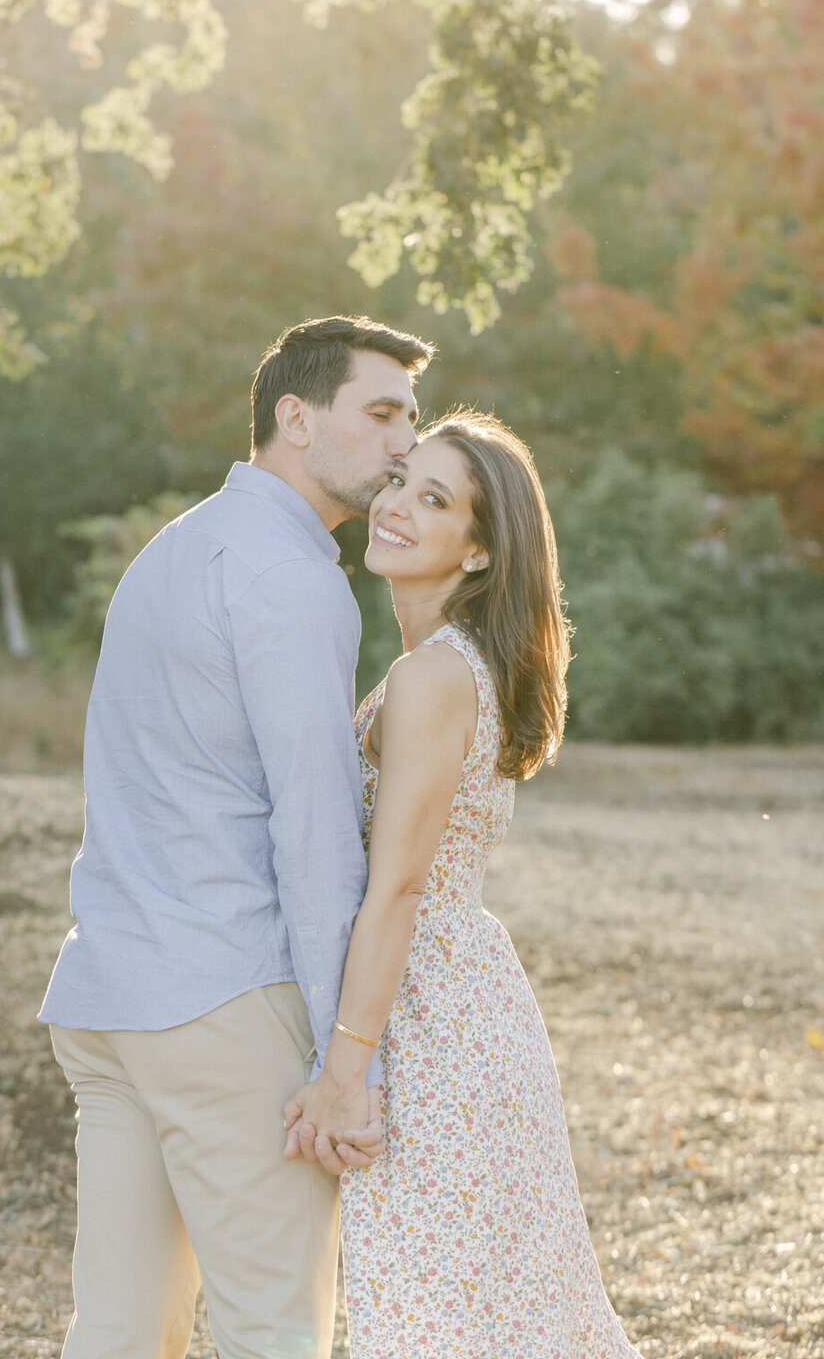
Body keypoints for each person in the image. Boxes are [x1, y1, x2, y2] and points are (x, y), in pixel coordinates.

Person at [39, 314, 435, 1359]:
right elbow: (312, 837)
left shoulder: (177, 547)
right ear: (295, 419)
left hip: (110, 996)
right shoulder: (292, 579)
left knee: (120, 1332)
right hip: (222, 1003)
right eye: (383, 413)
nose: (405, 444)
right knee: (273, 1331)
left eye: (414, 419)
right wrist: (349, 1062)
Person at [282, 410, 641, 1356]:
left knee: (440, 1320)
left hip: (435, 1027)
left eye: (432, 498)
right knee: (495, 1315)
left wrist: (343, 1078)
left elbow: (397, 888)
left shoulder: (437, 677)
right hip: (459, 1010)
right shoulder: (438, 666)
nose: (393, 504)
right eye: (399, 480)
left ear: (480, 552)